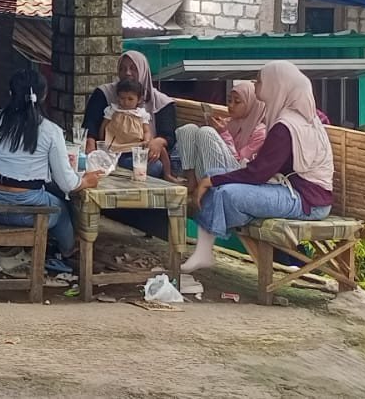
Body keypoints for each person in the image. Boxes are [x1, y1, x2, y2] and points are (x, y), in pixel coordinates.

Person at [183, 61, 335, 273]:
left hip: (307, 200)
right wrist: (212, 178)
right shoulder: (293, 117)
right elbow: (263, 170)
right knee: (213, 175)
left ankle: (205, 250)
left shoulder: (287, 125)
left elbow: (258, 173)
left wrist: (212, 182)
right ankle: (205, 250)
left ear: (277, 85)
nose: (256, 84)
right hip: (288, 187)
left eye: (261, 80)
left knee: (226, 192)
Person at [0, 69, 102, 275]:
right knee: (62, 208)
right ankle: (68, 253)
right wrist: (87, 180)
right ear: (43, 96)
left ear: (10, 93)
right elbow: (68, 184)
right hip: (27, 214)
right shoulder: (50, 130)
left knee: (48, 195)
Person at [84, 50, 176, 179]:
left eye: (133, 68)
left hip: (140, 151)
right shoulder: (105, 93)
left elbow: (169, 135)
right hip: (111, 149)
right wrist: (91, 145)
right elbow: (91, 125)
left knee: (154, 168)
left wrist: (158, 141)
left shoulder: (160, 101)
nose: (127, 73)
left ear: (143, 70)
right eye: (122, 69)